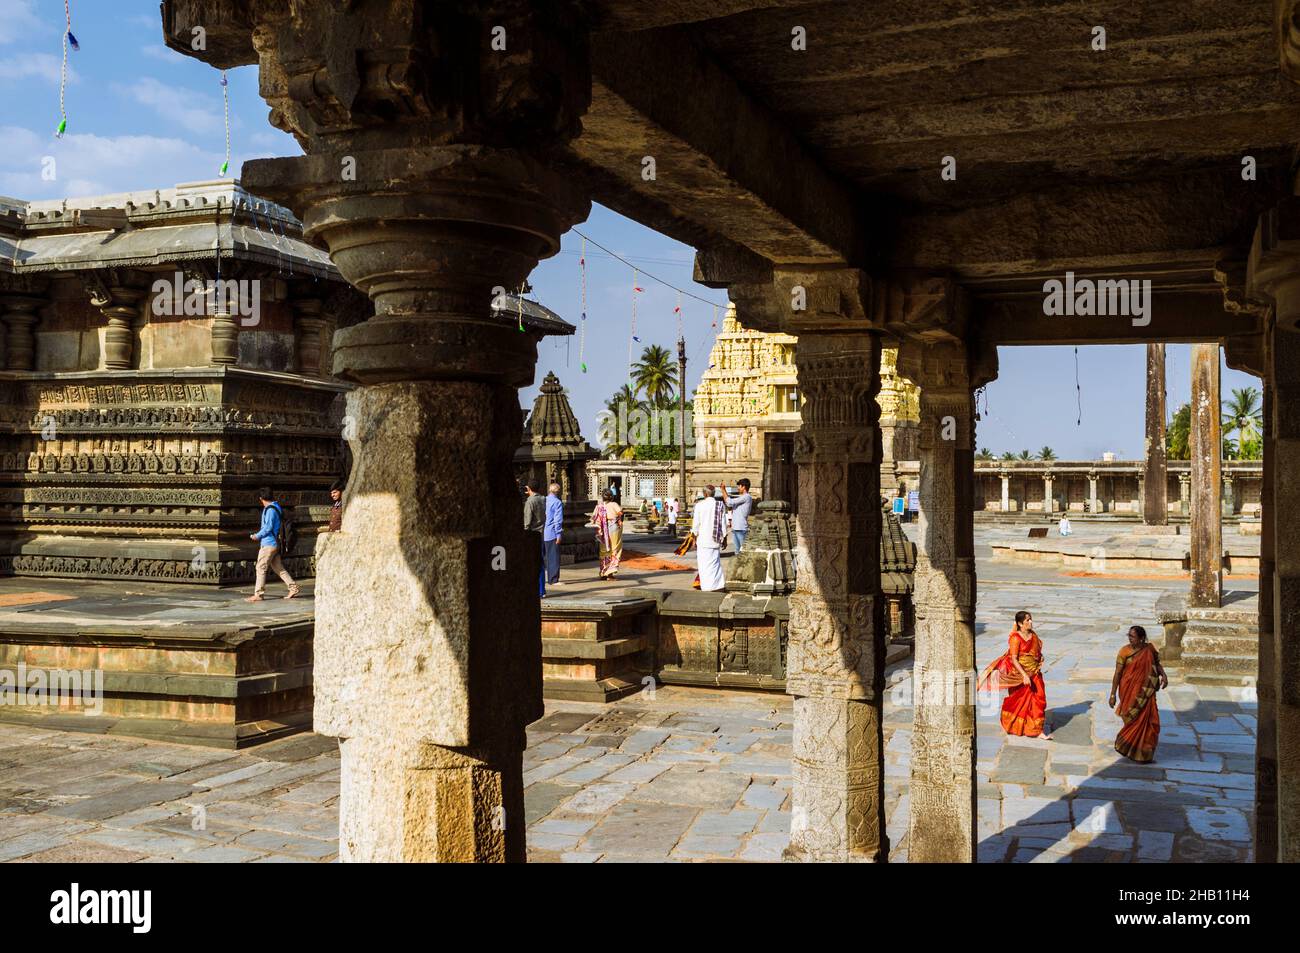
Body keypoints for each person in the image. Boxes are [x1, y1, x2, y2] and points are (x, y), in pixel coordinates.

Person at [978, 610, 1050, 738]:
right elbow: (1014, 659)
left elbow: (1036, 651)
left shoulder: (1033, 636)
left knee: (1039, 699)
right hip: (1019, 675)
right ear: (1020, 623)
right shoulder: (1015, 638)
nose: (1030, 622)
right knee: (1019, 701)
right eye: (1027, 620)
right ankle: (1015, 725)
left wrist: (1039, 659)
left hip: (1035, 672)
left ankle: (1036, 730)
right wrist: (1024, 675)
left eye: (1031, 619)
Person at [1110, 625, 1167, 763]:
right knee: (1130, 717)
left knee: (1148, 720)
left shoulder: (1149, 649)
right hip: (1128, 689)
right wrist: (1112, 694)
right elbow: (1118, 673)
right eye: (1129, 636)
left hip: (1146, 692)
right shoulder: (1124, 652)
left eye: (1133, 637)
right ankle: (1128, 746)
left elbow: (1157, 664)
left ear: (1141, 639)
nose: (1130, 639)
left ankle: (1144, 753)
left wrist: (1164, 675)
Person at [245, 487, 300, 602]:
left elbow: (268, 527)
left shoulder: (270, 510)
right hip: (275, 543)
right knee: (278, 568)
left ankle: (258, 594)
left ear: (261, 499)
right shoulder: (277, 507)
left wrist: (257, 535)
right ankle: (293, 588)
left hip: (269, 543)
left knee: (260, 567)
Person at [693, 485, 726, 591]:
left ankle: (707, 586)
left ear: (705, 494)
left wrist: (694, 538)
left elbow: (696, 524)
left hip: (703, 540)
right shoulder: (720, 504)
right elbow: (723, 523)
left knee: (704, 565)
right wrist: (724, 538)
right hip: (715, 539)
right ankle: (718, 585)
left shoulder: (699, 505)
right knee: (715, 563)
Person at [591, 490, 624, 579]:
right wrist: (620, 520)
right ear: (611, 497)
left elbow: (593, 518)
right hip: (613, 528)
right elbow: (620, 513)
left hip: (602, 530)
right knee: (614, 548)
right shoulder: (614, 504)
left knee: (604, 550)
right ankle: (610, 573)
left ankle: (603, 572)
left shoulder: (599, 506)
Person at [523, 482, 547, 598]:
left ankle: (534, 589)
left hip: (532, 534)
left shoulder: (530, 501)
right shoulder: (543, 499)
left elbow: (527, 522)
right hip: (542, 533)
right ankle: (541, 590)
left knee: (531, 563)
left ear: (528, 488)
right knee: (541, 563)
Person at [725, 478, 754, 554]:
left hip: (741, 528)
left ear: (743, 487)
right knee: (737, 551)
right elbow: (729, 503)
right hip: (736, 528)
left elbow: (730, 502)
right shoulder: (741, 497)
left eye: (739, 486)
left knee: (743, 551)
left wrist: (723, 490)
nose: (738, 488)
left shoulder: (746, 497)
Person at [544, 482, 564, 587]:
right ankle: (554, 579)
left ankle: (547, 578)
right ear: (558, 492)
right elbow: (558, 520)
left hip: (543, 532)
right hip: (552, 532)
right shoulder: (557, 502)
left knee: (545, 557)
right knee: (553, 557)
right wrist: (559, 534)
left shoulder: (544, 500)